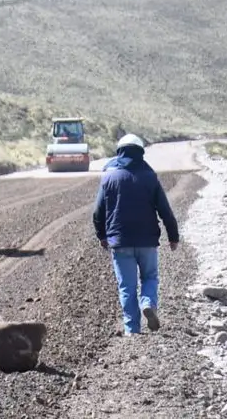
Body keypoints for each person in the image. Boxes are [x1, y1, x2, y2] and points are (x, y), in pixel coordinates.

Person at [92, 133, 179, 335]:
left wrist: (102, 236)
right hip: (147, 240)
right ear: (140, 152)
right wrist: (173, 236)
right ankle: (148, 302)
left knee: (127, 287)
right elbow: (165, 210)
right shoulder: (149, 176)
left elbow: (98, 211)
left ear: (119, 151)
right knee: (150, 277)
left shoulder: (109, 176)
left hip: (119, 240)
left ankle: (132, 330)